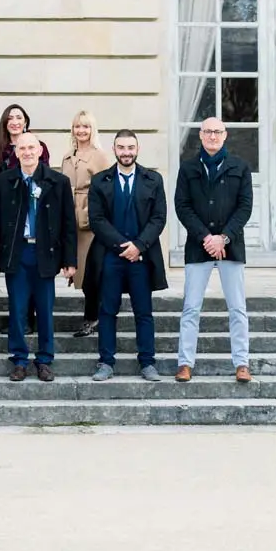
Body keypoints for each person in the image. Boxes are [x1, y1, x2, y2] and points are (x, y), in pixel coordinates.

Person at [0, 133, 77, 383]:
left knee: (44, 310)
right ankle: (19, 360)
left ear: (40, 150)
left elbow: (68, 224)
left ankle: (44, 360)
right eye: (22, 148)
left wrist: (70, 260)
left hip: (45, 254)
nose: (28, 152)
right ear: (17, 152)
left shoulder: (58, 181)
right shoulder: (4, 181)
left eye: (32, 147)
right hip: (17, 252)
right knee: (17, 309)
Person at [174, 117, 254, 384]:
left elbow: (245, 207)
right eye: (207, 131)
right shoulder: (187, 169)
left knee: (237, 308)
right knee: (191, 308)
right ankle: (185, 363)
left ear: (225, 135)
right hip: (199, 247)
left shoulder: (240, 167)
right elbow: (182, 206)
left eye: (217, 132)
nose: (212, 136)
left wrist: (224, 238)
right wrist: (207, 237)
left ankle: (241, 363)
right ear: (200, 135)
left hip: (231, 247)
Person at [87, 130, 168, 382]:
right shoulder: (100, 181)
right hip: (110, 257)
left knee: (143, 312)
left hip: (141, 258)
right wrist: (123, 246)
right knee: (107, 311)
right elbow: (97, 220)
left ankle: (147, 362)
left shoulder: (153, 179)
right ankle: (106, 362)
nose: (126, 152)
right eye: (121, 147)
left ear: (138, 148)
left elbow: (159, 218)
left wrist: (139, 246)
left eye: (130, 147)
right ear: (114, 149)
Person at [60, 110, 111, 337]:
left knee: (93, 272)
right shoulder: (67, 156)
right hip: (70, 217)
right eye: (77, 126)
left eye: (86, 127)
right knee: (77, 270)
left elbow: (107, 190)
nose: (81, 131)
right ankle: (93, 315)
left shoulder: (99, 155)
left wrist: (92, 212)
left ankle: (94, 317)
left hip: (90, 220)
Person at [0, 103, 51, 199]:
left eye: (19, 118)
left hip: (32, 202)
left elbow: (45, 177)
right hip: (2, 204)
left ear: (25, 122)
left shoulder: (39, 146)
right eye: (10, 118)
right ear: (5, 122)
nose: (14, 122)